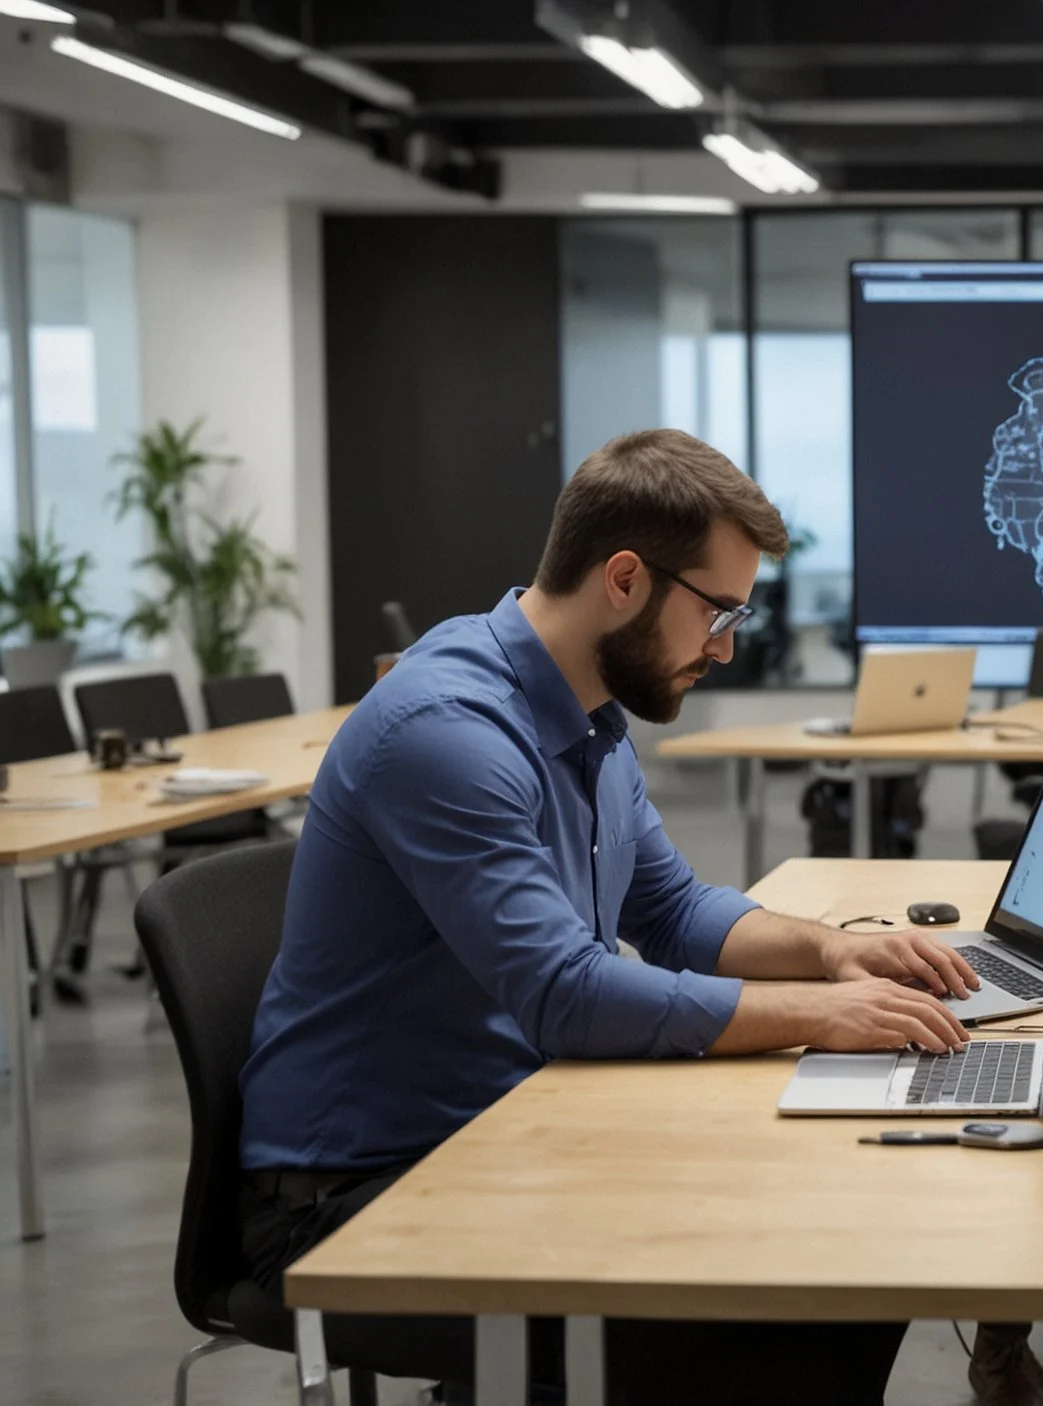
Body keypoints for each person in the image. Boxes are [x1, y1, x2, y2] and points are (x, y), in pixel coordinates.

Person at [237, 429, 983, 1405]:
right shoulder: (447, 731)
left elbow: (671, 910)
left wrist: (837, 953)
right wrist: (817, 1015)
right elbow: (566, 994)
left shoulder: (591, 712)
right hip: (361, 1193)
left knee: (842, 1236)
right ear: (624, 577)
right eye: (718, 612)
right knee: (801, 1294)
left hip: (509, 1123)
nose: (724, 645)